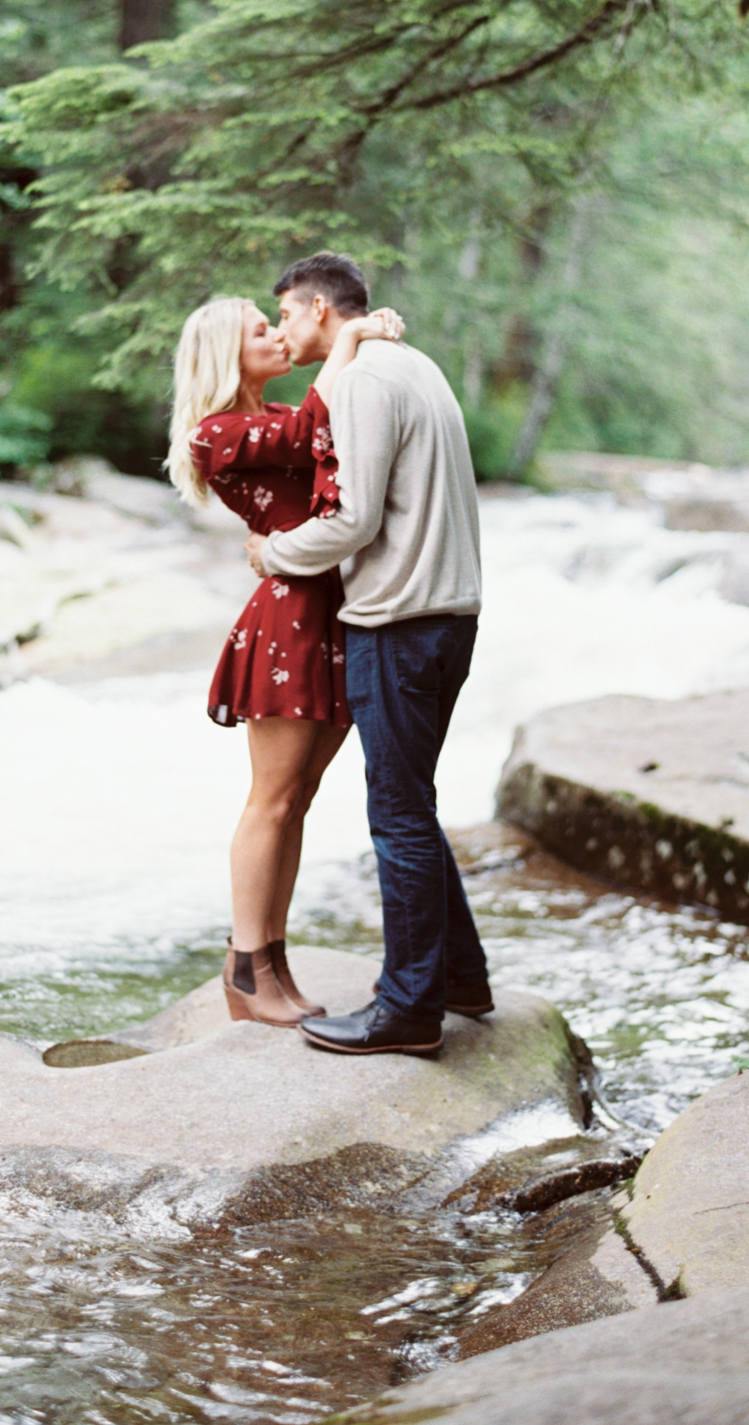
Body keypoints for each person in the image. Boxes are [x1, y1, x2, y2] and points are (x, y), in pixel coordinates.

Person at [249, 251, 489, 1057]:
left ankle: (407, 1012)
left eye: (284, 312)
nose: (282, 328)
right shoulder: (412, 364)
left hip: (399, 621)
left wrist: (274, 552)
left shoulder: (361, 381)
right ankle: (460, 977)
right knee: (411, 801)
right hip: (448, 615)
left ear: (319, 306)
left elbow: (351, 519)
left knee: (395, 814)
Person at [168, 292, 400, 1026]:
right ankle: (244, 967)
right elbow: (309, 433)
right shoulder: (214, 434)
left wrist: (365, 345)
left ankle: (275, 959)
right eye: (259, 331)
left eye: (274, 325)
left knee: (297, 799)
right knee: (270, 799)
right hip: (289, 622)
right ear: (222, 354)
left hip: (332, 610)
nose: (274, 337)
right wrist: (350, 337)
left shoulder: (267, 417)